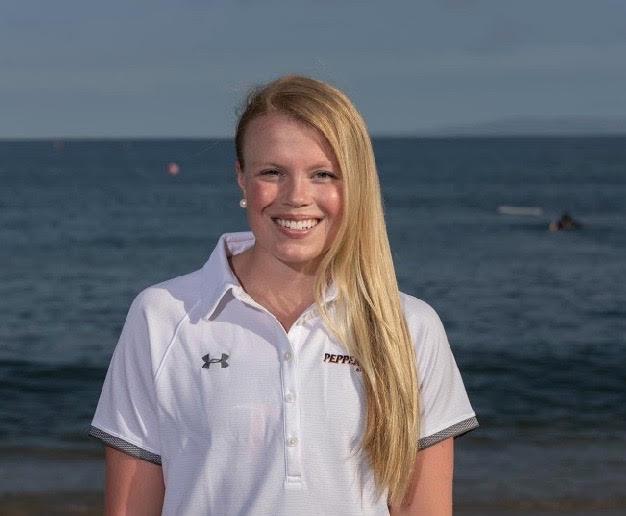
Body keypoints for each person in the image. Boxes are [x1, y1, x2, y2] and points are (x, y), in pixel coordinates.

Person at [88, 74, 479, 515]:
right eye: (272, 172)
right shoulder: (161, 317)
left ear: (355, 184)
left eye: (323, 174)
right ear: (240, 177)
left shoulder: (408, 327)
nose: (297, 197)